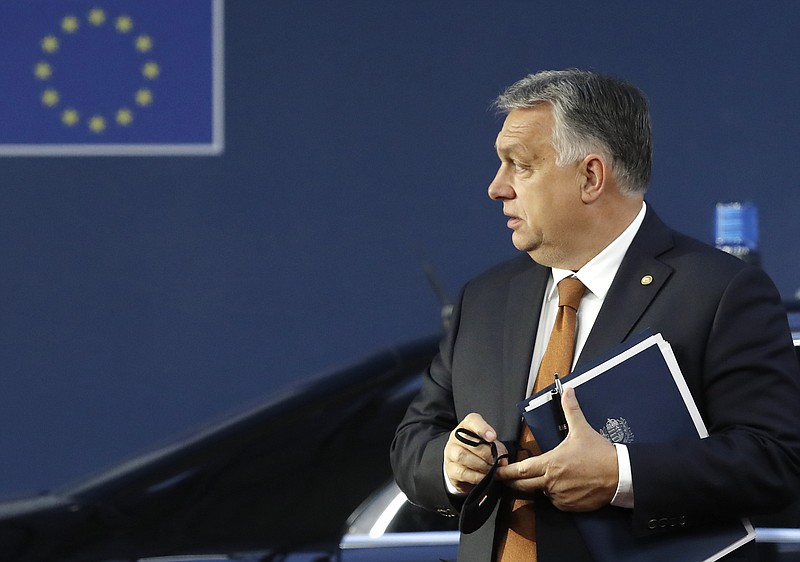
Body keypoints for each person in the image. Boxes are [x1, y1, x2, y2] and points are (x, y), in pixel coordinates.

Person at [390, 69, 800, 561]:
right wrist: (451, 464)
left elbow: (776, 460)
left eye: (518, 165)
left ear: (590, 177)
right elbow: (413, 442)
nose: (496, 188)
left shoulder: (718, 291)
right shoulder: (486, 299)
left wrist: (620, 474)